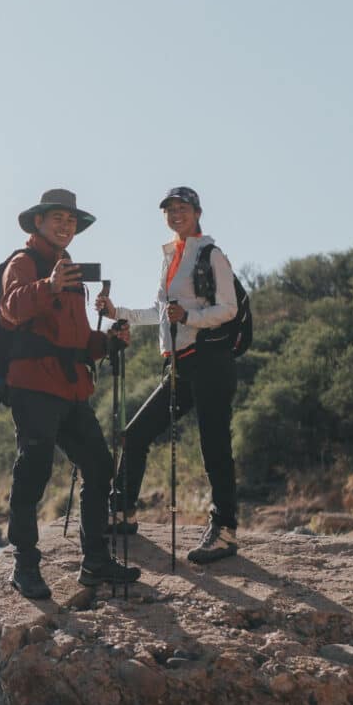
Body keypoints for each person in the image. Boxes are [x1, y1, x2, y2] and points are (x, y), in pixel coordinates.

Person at [1, 188, 140, 599]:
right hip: (32, 386)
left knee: (99, 467)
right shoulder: (23, 263)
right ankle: (24, 566)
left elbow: (75, 340)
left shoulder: (70, 272)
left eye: (71, 220)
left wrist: (108, 343)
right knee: (34, 469)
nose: (66, 226)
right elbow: (11, 308)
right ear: (39, 222)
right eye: (58, 218)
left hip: (70, 387)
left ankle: (95, 560)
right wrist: (48, 285)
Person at [95, 185, 239, 564]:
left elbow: (230, 309)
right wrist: (118, 313)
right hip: (181, 364)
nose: (176, 214)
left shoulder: (212, 255)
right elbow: (160, 312)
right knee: (136, 433)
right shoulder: (171, 256)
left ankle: (224, 530)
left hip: (211, 361)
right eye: (170, 209)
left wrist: (189, 317)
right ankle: (123, 512)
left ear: (197, 213)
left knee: (214, 446)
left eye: (182, 208)